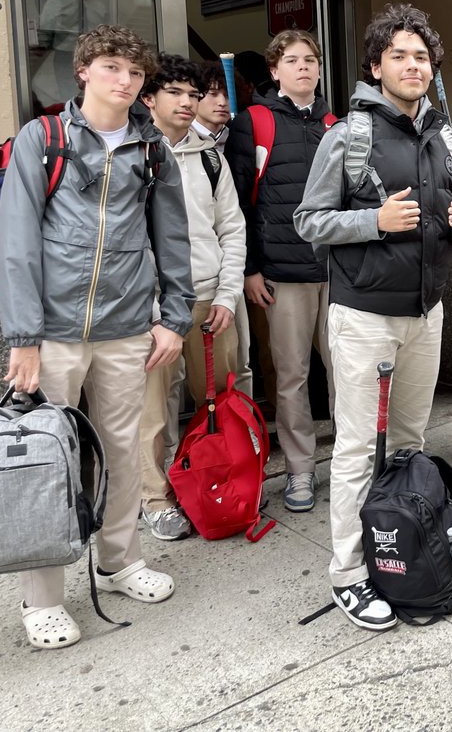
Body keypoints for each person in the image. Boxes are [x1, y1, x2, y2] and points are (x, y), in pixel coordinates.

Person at [0, 24, 194, 649]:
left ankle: (119, 560)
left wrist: (174, 317)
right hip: (53, 332)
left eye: (135, 72)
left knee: (120, 451)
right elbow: (18, 240)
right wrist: (23, 336)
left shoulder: (152, 147)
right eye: (112, 67)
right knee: (48, 462)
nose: (125, 81)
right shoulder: (44, 138)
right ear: (83, 71)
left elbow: (173, 236)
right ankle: (43, 598)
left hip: (128, 326)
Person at [294, 3, 452, 630]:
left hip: (426, 312)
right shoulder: (348, 135)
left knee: (409, 445)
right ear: (376, 66)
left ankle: (399, 546)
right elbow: (309, 221)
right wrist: (374, 221)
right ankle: (348, 573)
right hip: (364, 315)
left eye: (422, 56)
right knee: (352, 450)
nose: (413, 65)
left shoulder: (444, 137)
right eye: (399, 55)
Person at [136, 54, 246, 541]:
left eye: (193, 94)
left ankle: (214, 478)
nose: (187, 102)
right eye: (175, 93)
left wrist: (227, 295)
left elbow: (232, 229)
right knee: (153, 411)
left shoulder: (210, 156)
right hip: (152, 308)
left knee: (218, 400)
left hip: (209, 301)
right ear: (149, 99)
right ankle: (154, 498)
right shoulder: (132, 154)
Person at [225, 30, 335, 513]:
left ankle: (359, 462)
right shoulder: (254, 122)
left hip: (337, 270)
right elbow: (237, 205)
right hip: (283, 274)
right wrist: (249, 269)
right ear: (274, 70)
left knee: (346, 372)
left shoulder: (337, 124)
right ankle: (300, 470)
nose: (304, 67)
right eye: (292, 60)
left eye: (310, 59)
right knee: (291, 376)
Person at [194, 60, 256, 401]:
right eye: (210, 94)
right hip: (192, 280)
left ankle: (240, 442)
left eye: (224, 94)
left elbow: (236, 221)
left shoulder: (238, 137)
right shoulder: (172, 147)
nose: (221, 102)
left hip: (229, 270)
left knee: (239, 362)